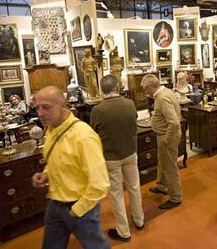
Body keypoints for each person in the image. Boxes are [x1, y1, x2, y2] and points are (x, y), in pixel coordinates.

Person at [31, 86, 110, 249]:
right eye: (37, 108)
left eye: (46, 107)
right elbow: (60, 159)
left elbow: (100, 184)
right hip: (55, 203)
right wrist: (46, 174)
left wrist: (76, 211)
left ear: (63, 105)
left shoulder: (83, 136)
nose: (40, 113)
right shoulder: (51, 128)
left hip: (80, 207)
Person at [90, 75, 144, 243]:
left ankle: (124, 231)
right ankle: (139, 220)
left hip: (111, 157)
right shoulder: (130, 104)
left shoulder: (98, 110)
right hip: (130, 152)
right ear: (117, 86)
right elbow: (134, 122)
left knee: (116, 194)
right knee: (134, 187)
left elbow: (93, 133)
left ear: (101, 89)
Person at [141, 74, 182, 209]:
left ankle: (175, 197)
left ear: (150, 87)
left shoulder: (162, 98)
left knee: (170, 167)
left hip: (167, 136)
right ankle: (162, 185)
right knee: (162, 161)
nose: (145, 92)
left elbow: (174, 122)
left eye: (145, 89)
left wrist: (166, 139)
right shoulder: (166, 92)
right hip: (166, 134)